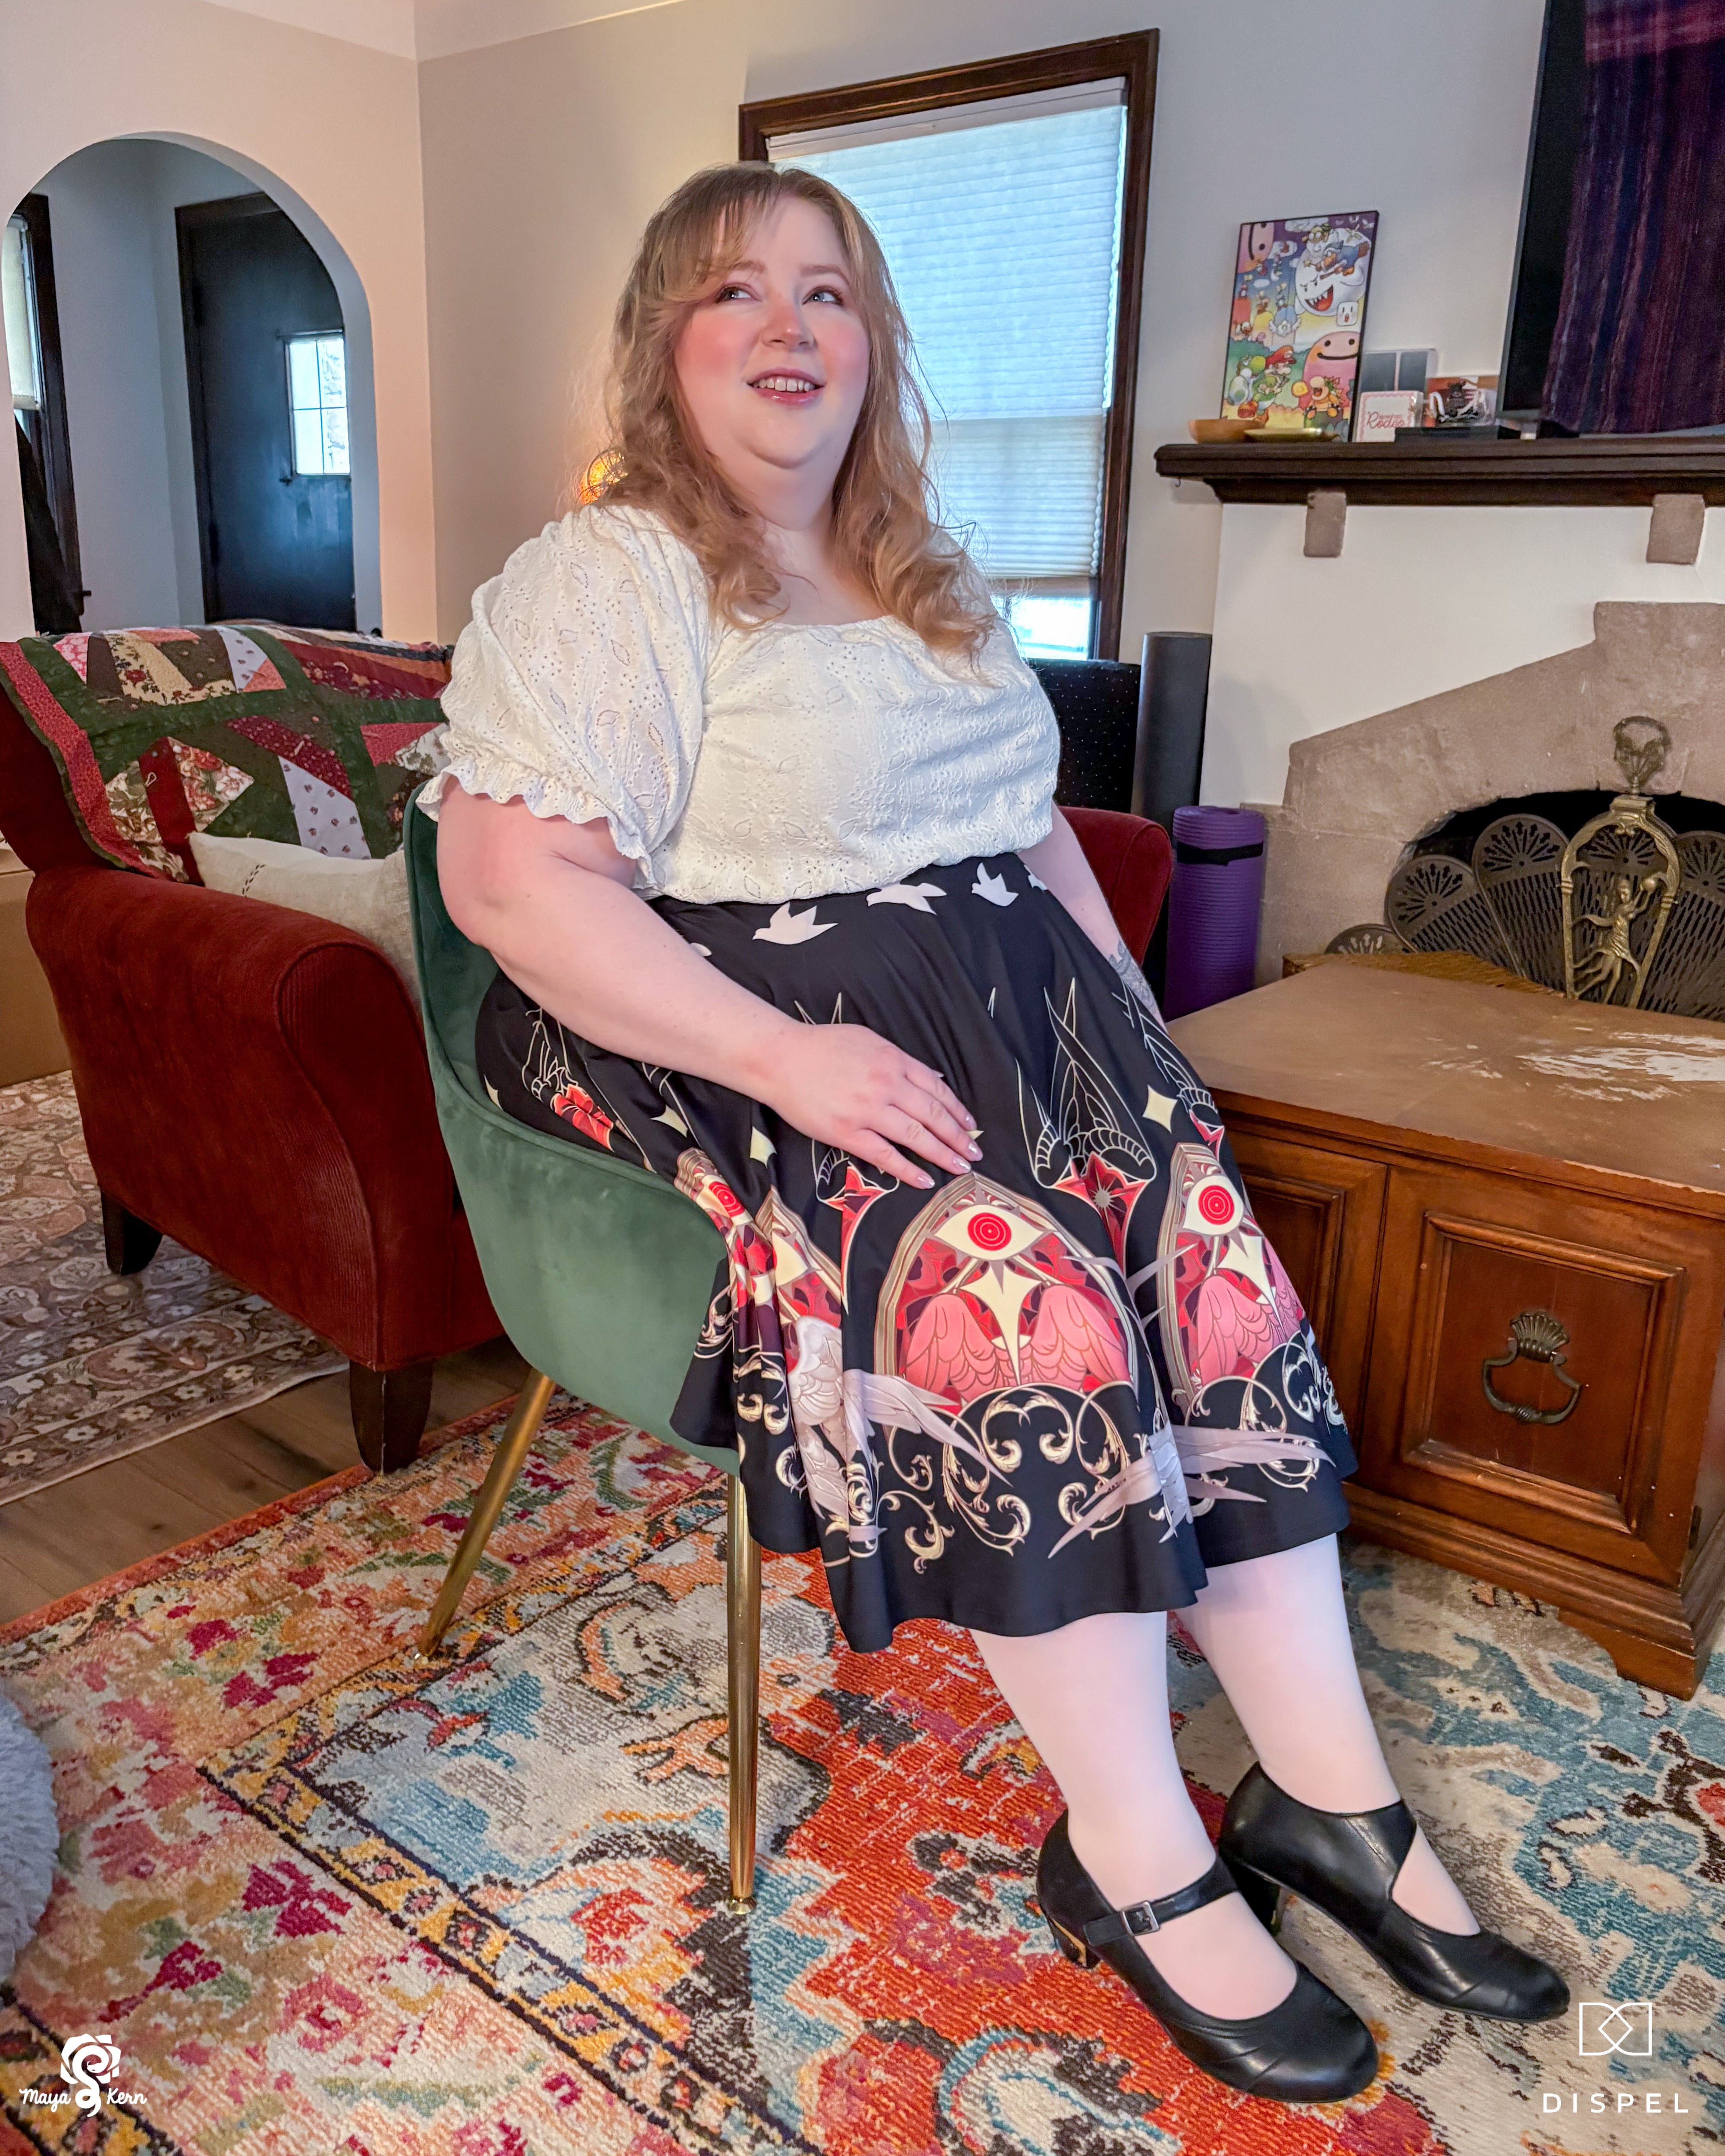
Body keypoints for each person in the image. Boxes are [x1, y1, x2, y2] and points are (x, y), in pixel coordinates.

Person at [425, 163, 1567, 2104]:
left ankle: (1332, 1799)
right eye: (734, 292)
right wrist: (786, 1062)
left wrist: (1144, 1052)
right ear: (663, 344)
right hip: (738, 1028)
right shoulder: (607, 574)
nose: (788, 327)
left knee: (1212, 1267)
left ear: (874, 341)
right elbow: (509, 885)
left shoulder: (931, 573)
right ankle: (1133, 1853)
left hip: (1005, 1016)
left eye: (827, 291)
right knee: (1021, 1301)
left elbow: (1031, 839)